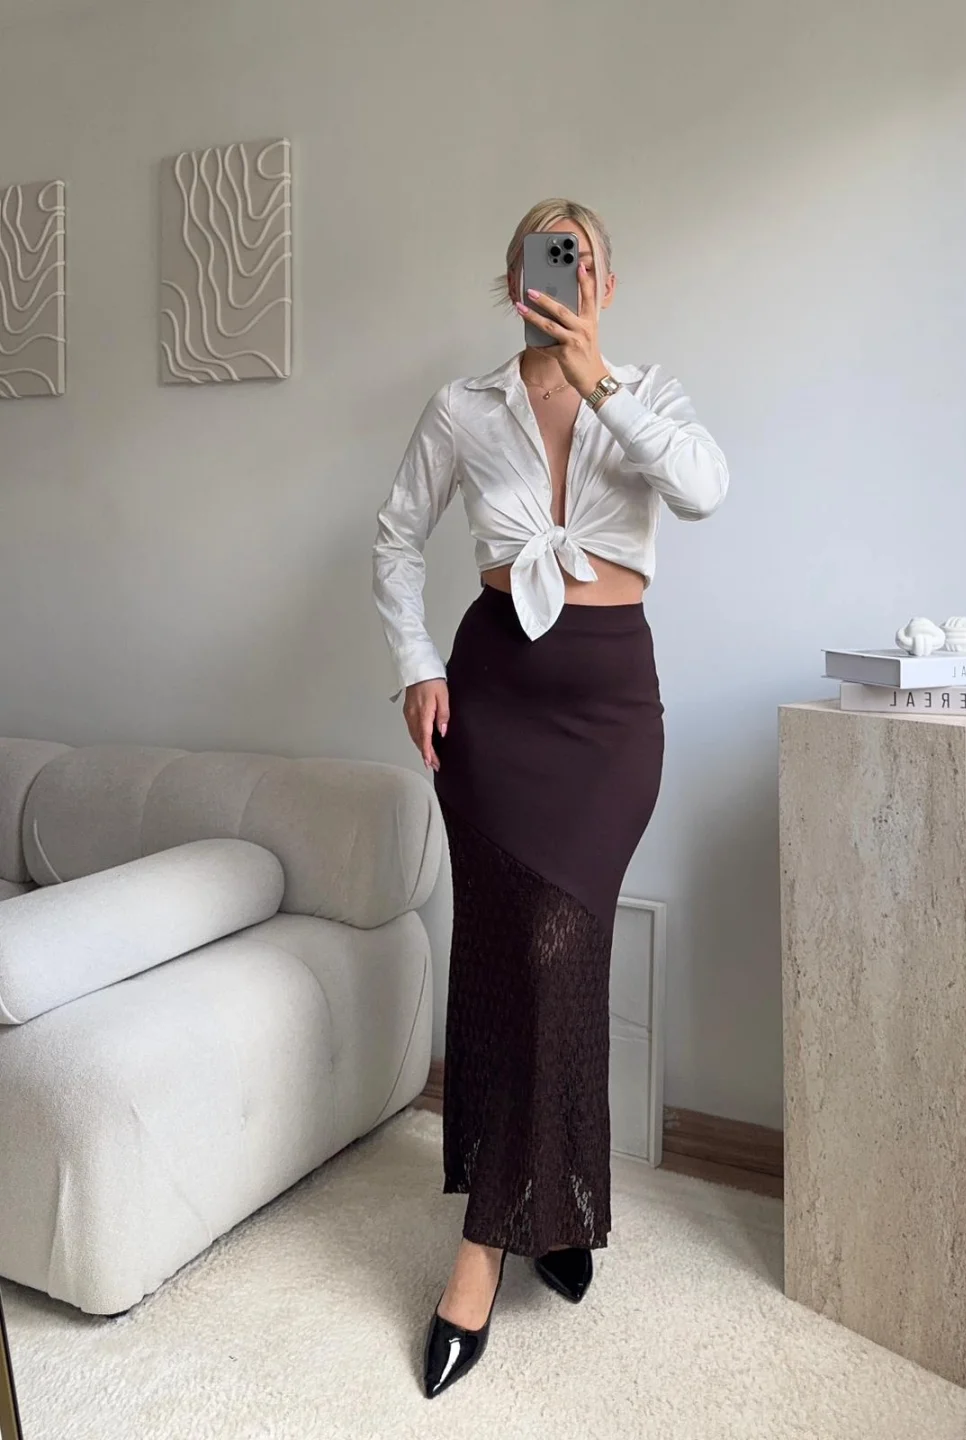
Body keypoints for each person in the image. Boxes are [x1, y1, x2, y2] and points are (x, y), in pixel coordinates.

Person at [372, 198, 728, 1399]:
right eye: (544, 257)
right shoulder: (462, 408)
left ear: (604, 285)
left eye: (582, 261)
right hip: (491, 709)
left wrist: (599, 381)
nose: (563, 276)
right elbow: (393, 539)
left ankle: (494, 1238)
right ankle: (542, 1215)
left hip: (608, 721)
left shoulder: (648, 395)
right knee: (506, 956)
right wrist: (416, 666)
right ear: (513, 277)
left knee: (560, 951)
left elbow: (705, 490)